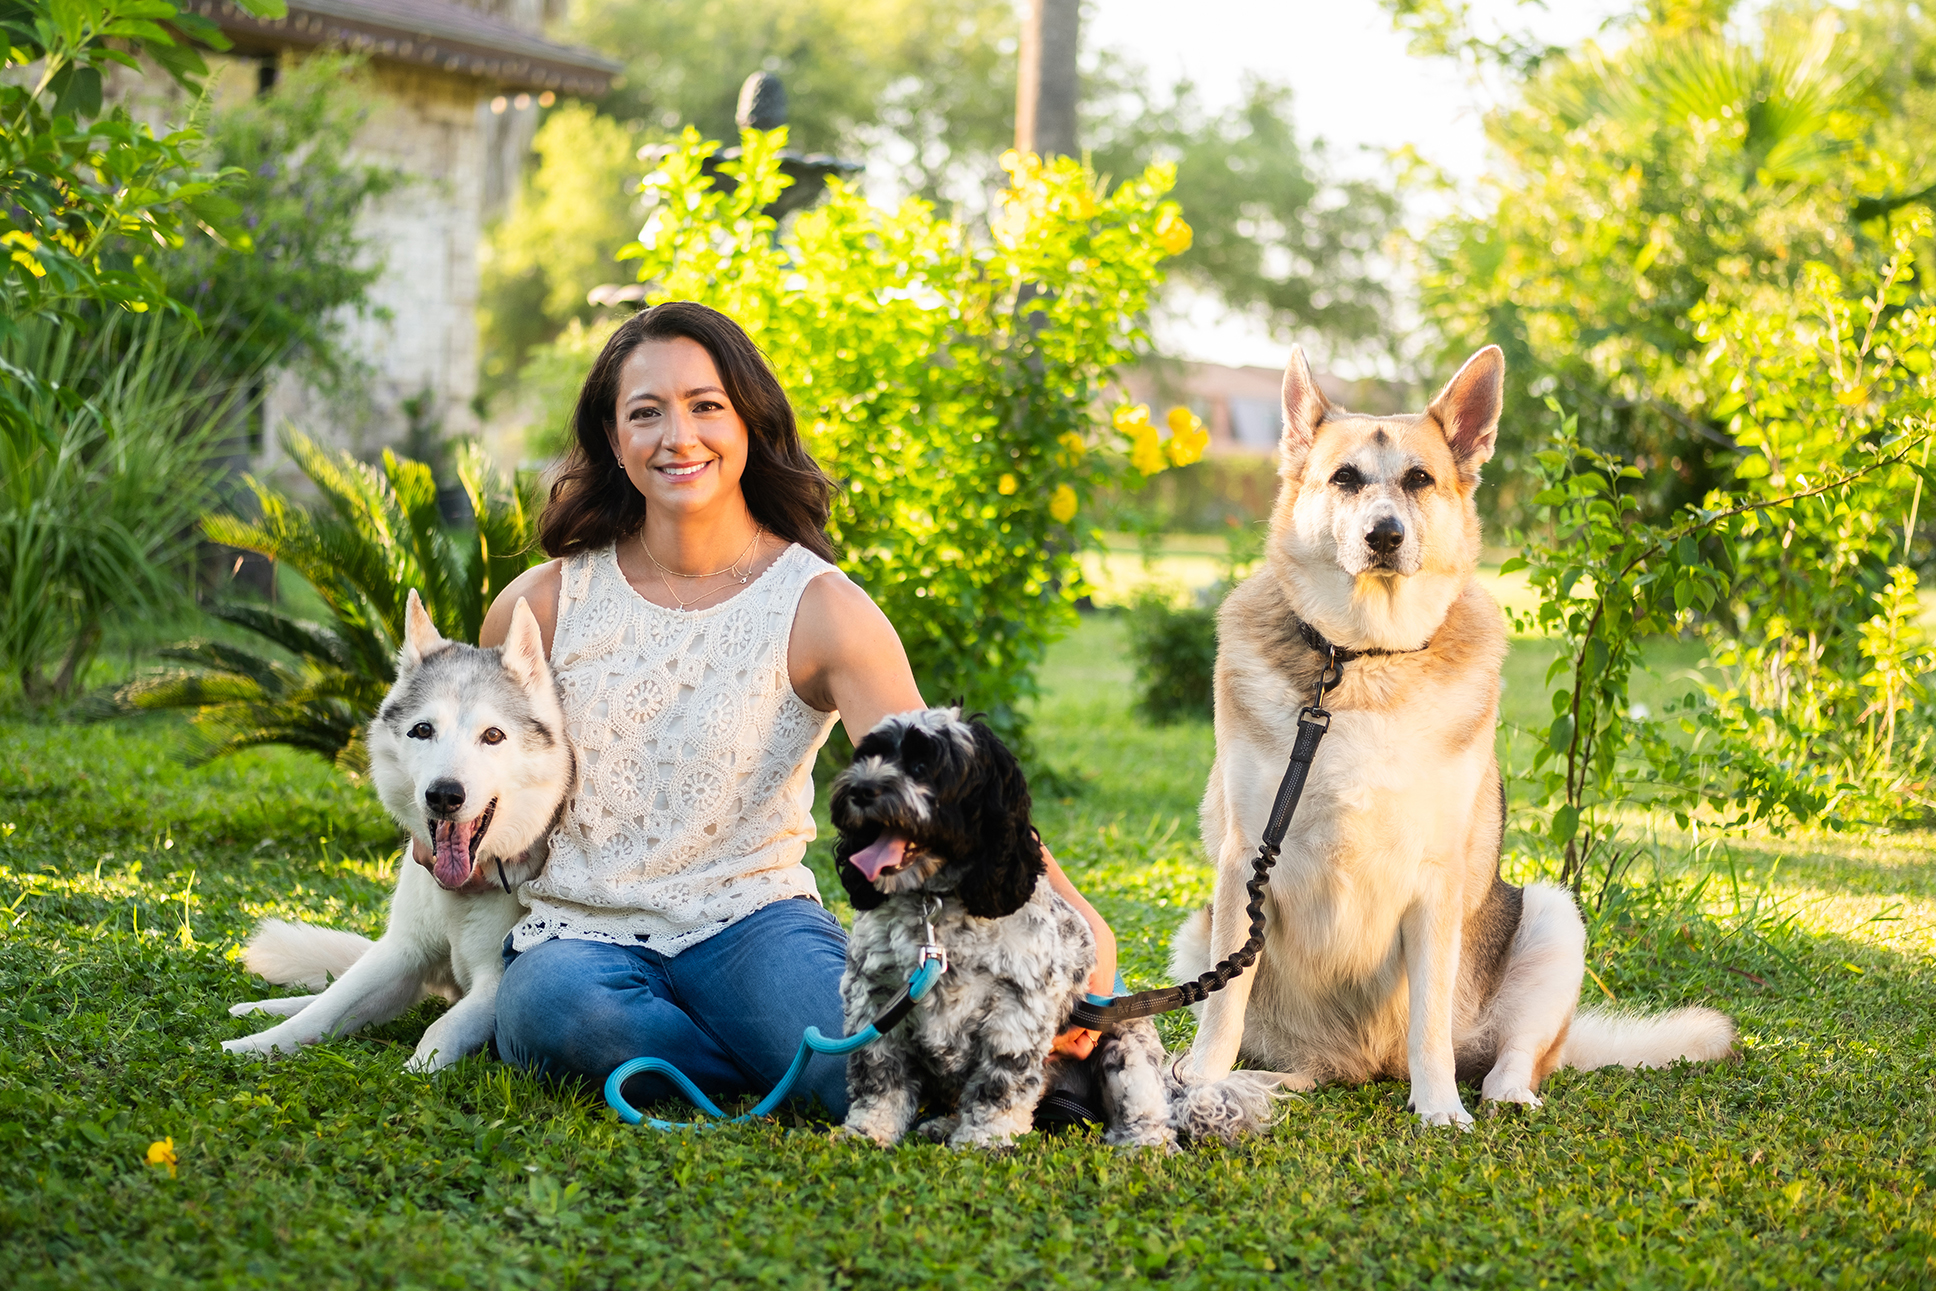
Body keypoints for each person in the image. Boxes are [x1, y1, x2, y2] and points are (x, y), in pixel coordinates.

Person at [477, 301, 1115, 1118]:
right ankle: (769, 1065)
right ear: (612, 439)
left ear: (749, 419)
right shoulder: (542, 603)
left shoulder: (819, 606)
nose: (679, 437)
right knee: (551, 1019)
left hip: (750, 923)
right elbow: (465, 761)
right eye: (646, 413)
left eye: (706, 406)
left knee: (846, 1068)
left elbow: (945, 785)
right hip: (578, 937)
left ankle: (781, 1062)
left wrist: (1079, 921)